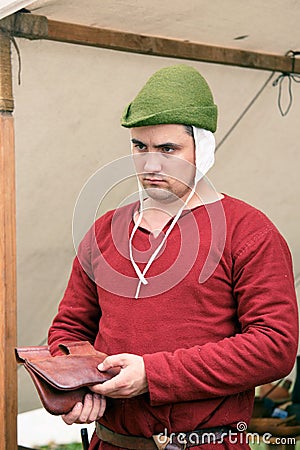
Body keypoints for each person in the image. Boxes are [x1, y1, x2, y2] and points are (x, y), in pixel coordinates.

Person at [48, 65, 299, 450]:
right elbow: (69, 330)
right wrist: (78, 387)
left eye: (168, 149)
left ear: (203, 150)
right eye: (139, 147)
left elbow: (275, 346)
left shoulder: (248, 232)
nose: (150, 165)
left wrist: (154, 374)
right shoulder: (103, 232)